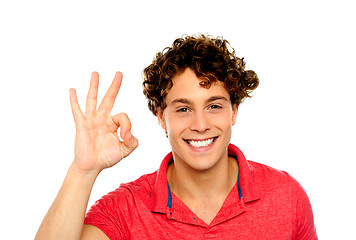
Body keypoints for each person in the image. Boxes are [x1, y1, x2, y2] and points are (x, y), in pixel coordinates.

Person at [35, 35, 317, 239]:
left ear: (234, 111)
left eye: (214, 106)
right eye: (183, 108)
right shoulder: (126, 209)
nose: (201, 124)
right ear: (160, 116)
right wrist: (83, 170)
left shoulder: (286, 196)